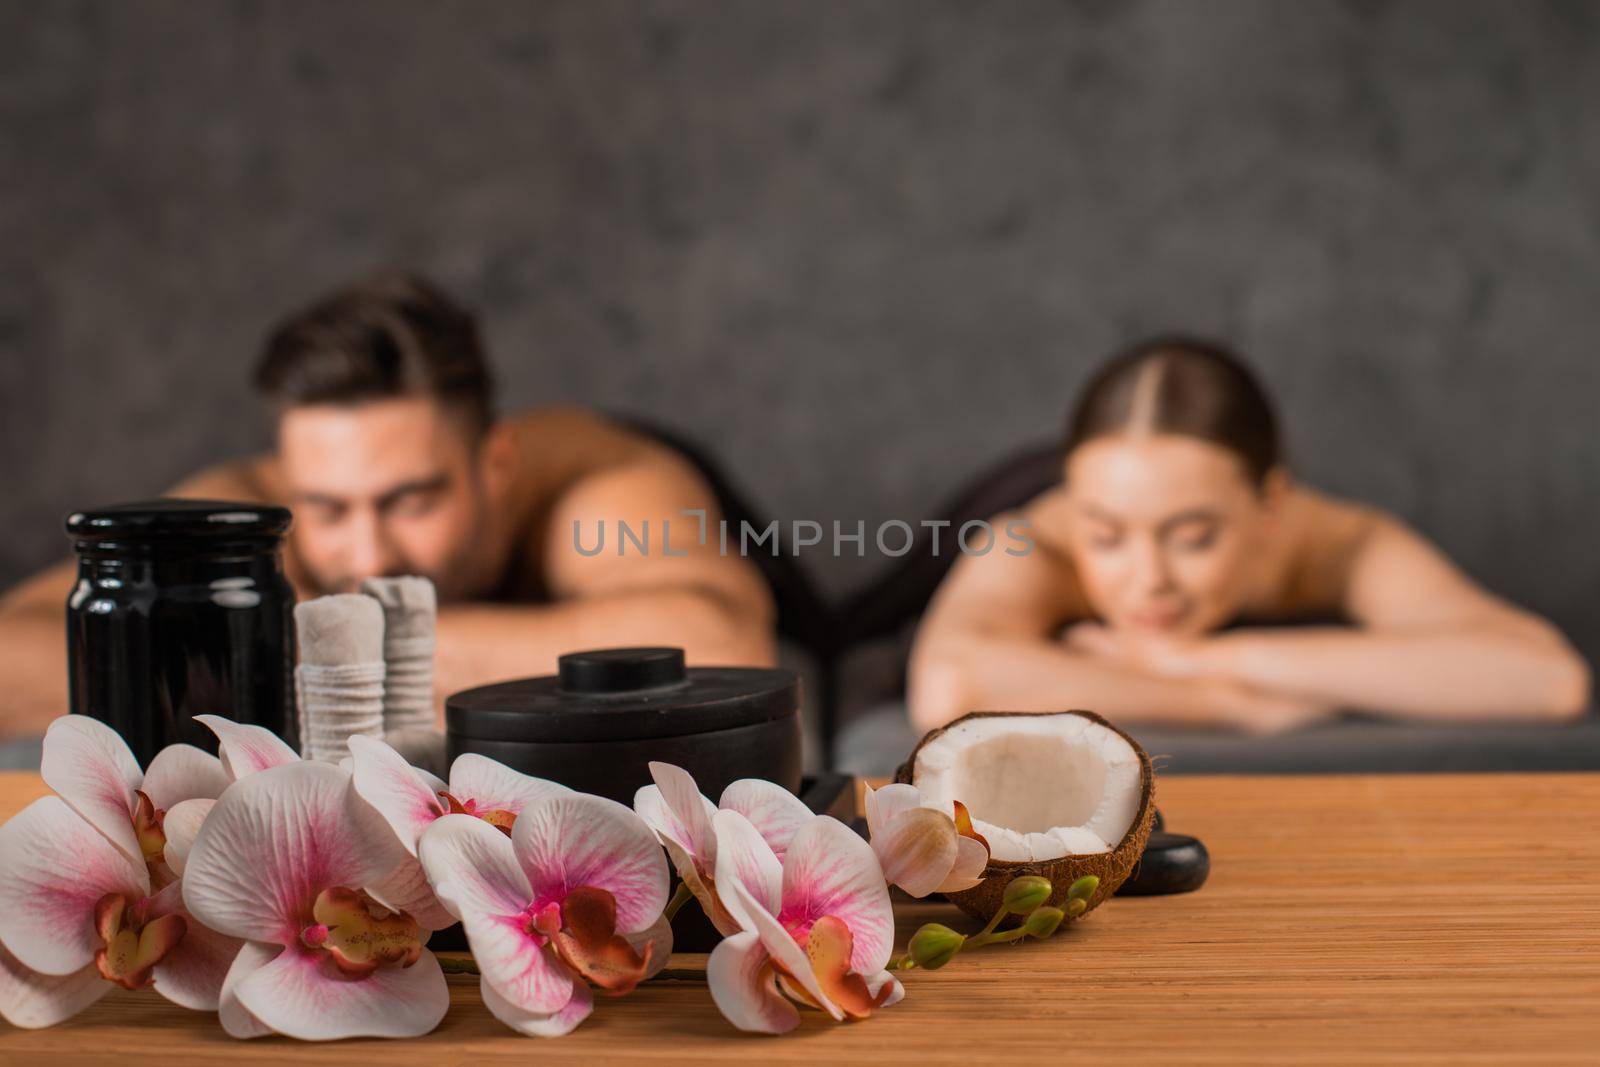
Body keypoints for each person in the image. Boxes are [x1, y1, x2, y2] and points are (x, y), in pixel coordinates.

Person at [0, 271, 774, 739]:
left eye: (411, 499)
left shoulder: (594, 480)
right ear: (287, 476)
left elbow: (723, 640)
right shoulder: (247, 502)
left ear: (494, 461)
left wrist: (287, 651)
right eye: (328, 508)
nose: (368, 555)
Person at [908, 336, 1591, 734]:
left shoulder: (1336, 542)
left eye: (1193, 536)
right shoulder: (1036, 538)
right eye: (1108, 536)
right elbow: (948, 683)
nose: (1148, 579)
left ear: (1271, 500)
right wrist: (1225, 704)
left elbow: (1546, 679)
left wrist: (1212, 656)